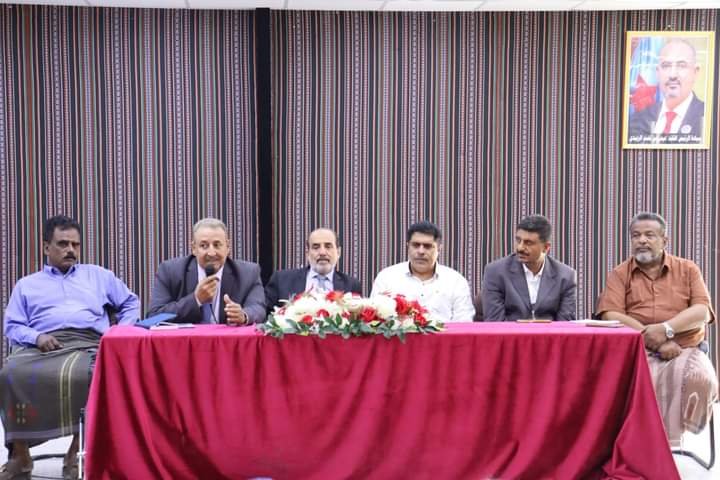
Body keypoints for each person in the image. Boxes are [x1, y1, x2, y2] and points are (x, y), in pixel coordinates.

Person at [0, 215, 140, 480]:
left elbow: (130, 303)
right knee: (9, 375)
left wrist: (119, 332)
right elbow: (13, 325)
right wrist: (37, 337)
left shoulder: (99, 276)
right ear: (46, 247)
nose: (70, 250)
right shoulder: (27, 285)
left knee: (94, 374)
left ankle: (77, 452)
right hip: (42, 346)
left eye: (75, 245)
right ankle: (20, 455)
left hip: (89, 343)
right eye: (63, 244)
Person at [596, 212, 718, 447]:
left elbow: (702, 312)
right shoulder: (620, 274)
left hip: (685, 348)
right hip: (636, 348)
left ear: (664, 240)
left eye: (649, 235)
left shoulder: (688, 269)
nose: (642, 240)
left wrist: (666, 329)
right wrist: (655, 340)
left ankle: (668, 445)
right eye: (636, 235)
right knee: (625, 383)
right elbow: (610, 314)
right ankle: (640, 446)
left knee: (700, 379)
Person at [148, 217, 265, 325]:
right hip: (187, 340)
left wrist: (243, 315)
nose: (211, 253)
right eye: (204, 246)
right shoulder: (170, 271)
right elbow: (154, 316)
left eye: (217, 245)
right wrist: (196, 299)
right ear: (194, 248)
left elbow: (258, 308)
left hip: (228, 340)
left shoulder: (249, 273)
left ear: (228, 247)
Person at [370, 221, 474, 322]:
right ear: (408, 246)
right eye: (415, 245)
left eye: (427, 246)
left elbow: (464, 322)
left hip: (444, 334)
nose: (421, 251)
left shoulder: (456, 281)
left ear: (439, 249)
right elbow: (373, 319)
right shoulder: (387, 277)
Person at [481, 215, 576, 321]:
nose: (520, 248)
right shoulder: (495, 272)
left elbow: (564, 325)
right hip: (509, 332)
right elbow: (495, 322)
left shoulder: (565, 276)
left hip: (549, 332)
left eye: (528, 243)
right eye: (518, 240)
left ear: (546, 247)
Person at [627, 38, 705, 144]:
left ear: (695, 72)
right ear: (657, 72)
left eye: (681, 65)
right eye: (666, 66)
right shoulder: (638, 119)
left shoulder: (708, 117)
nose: (672, 75)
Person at [265, 228, 362, 312]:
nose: (322, 252)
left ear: (338, 252)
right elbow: (266, 317)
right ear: (307, 253)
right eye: (316, 247)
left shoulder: (351, 285)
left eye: (328, 246)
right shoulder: (282, 280)